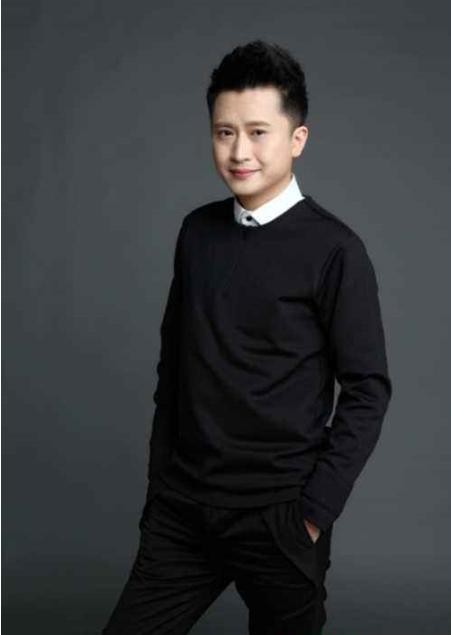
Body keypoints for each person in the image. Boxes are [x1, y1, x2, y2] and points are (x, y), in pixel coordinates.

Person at [101, 39, 392, 635]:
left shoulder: (335, 250)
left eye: (258, 132)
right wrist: (160, 489)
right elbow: (173, 371)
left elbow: (368, 389)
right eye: (224, 132)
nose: (239, 151)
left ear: (297, 139)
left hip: (281, 516)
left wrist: (314, 512)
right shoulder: (197, 233)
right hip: (185, 511)